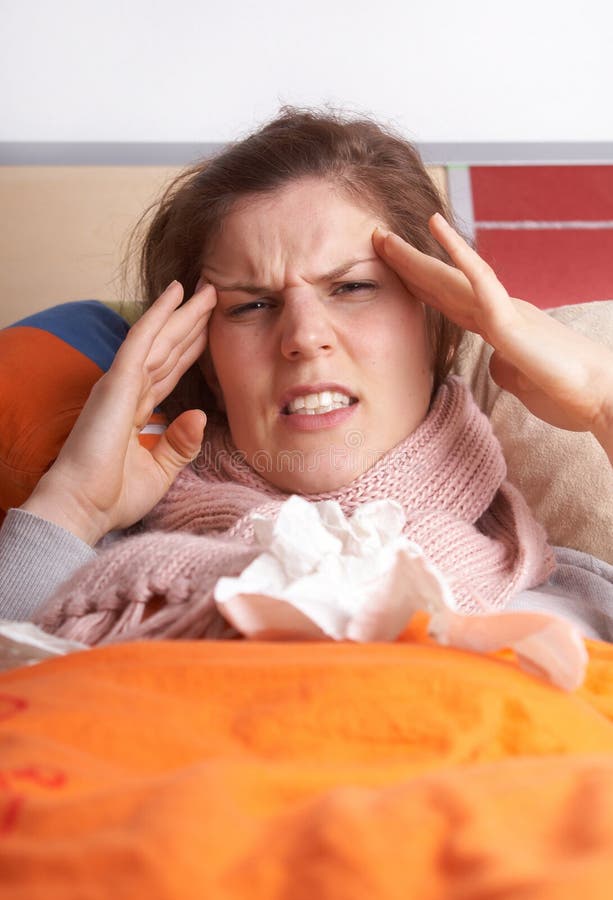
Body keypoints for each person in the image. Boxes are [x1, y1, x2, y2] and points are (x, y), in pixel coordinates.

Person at [1, 108, 612, 643]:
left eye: (352, 287)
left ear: (436, 328)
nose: (302, 337)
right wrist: (75, 501)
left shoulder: (576, 603)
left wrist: (603, 402)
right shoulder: (98, 594)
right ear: (206, 365)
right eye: (251, 305)